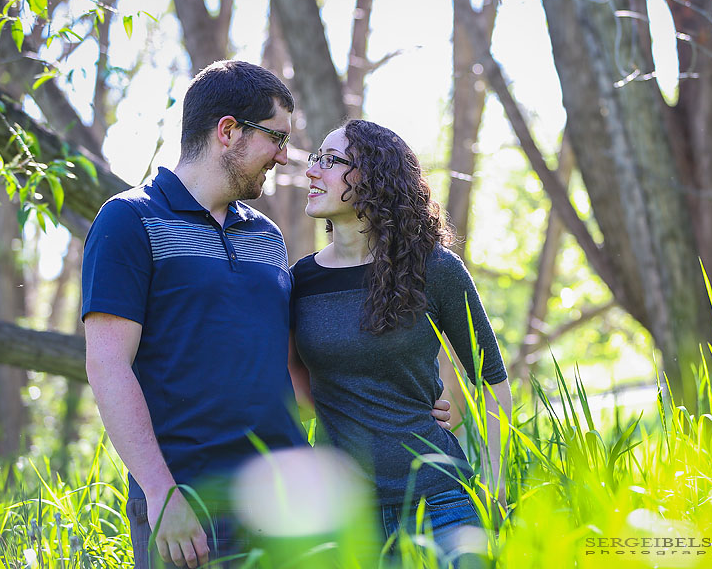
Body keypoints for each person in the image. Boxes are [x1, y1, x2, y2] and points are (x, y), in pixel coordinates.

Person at [81, 60, 454, 569]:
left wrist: (401, 402)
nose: (284, 157)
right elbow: (108, 365)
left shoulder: (267, 238)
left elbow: (296, 369)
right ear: (228, 132)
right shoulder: (129, 219)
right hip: (192, 503)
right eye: (276, 138)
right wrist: (160, 493)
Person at [288, 119, 513, 566]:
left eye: (330, 161)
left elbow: (492, 382)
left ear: (374, 176)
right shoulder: (300, 281)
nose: (313, 171)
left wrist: (494, 486)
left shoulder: (435, 269)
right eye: (316, 159)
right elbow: (294, 381)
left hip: (443, 506)